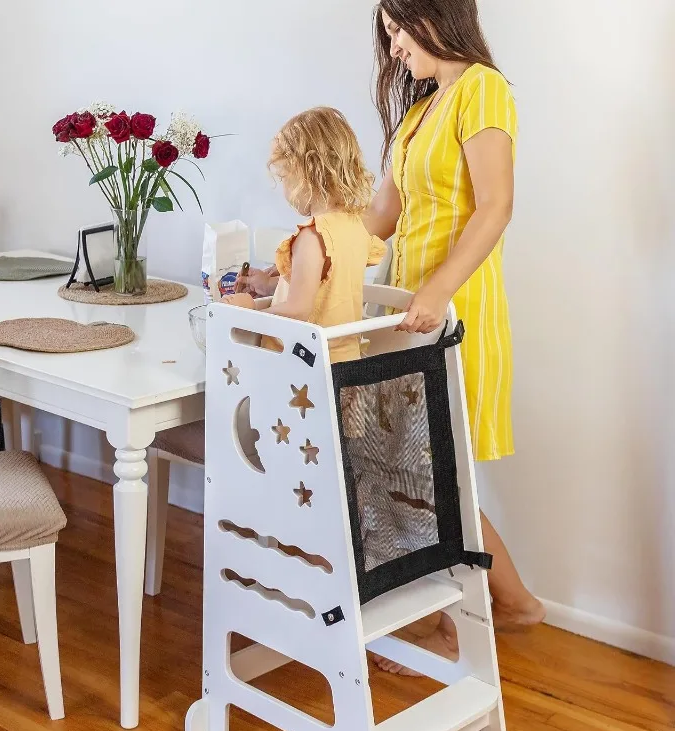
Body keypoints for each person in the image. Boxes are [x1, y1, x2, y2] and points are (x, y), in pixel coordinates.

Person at [361, 0, 545, 674]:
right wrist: (306, 246)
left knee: (435, 475)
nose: (394, 47)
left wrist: (436, 288)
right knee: (420, 475)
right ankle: (486, 609)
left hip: (453, 316)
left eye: (398, 29)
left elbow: (496, 204)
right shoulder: (416, 116)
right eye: (386, 35)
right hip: (404, 320)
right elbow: (379, 218)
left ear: (434, 15)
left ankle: (482, 613)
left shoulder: (482, 90)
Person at [225, 107, 386, 365]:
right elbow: (326, 290)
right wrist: (269, 286)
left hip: (302, 369)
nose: (284, 190)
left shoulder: (313, 236)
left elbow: (299, 310)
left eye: (285, 177)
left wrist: (250, 309)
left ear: (309, 170)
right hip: (345, 363)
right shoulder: (355, 227)